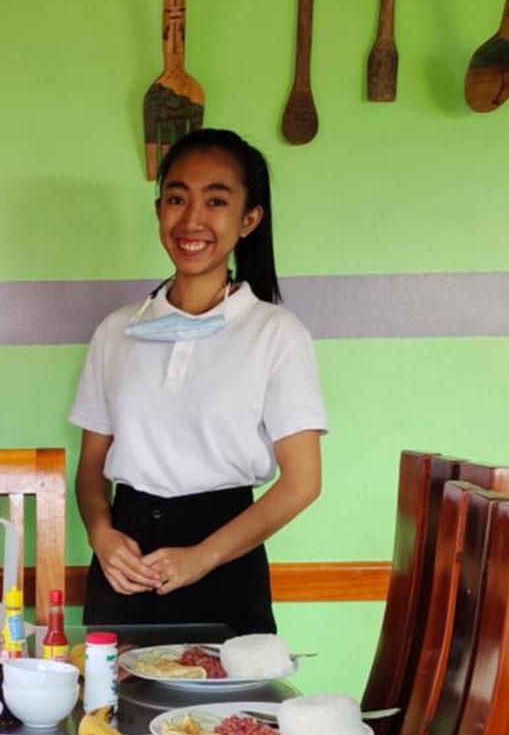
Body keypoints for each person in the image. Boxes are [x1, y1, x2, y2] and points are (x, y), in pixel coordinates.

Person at [70, 129, 325, 633]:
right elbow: (91, 472)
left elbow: (302, 483)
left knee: (227, 713)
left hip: (226, 566)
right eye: (176, 198)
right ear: (159, 208)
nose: (192, 220)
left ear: (249, 219)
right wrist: (101, 534)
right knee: (106, 711)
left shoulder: (275, 333)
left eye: (216, 201)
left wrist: (202, 557)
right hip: (125, 571)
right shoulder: (117, 331)